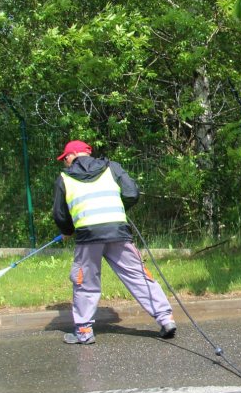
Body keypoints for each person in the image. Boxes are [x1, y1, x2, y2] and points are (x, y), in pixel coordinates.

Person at [52, 140, 176, 345]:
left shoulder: (64, 178)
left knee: (85, 282)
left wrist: (67, 231)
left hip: (88, 236)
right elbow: (131, 194)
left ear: (72, 155)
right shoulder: (112, 167)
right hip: (118, 230)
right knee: (137, 275)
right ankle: (166, 319)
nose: (65, 162)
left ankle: (84, 331)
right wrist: (115, 210)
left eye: (65, 158)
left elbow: (59, 214)